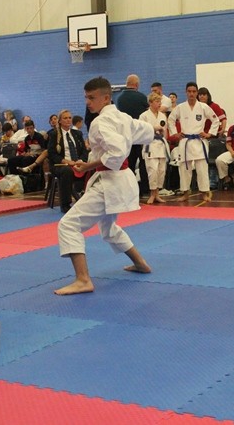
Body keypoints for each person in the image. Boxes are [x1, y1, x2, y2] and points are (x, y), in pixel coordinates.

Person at [54, 77, 155, 295]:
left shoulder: (100, 122)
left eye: (92, 98)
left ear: (106, 98)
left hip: (110, 182)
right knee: (108, 228)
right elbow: (148, 131)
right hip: (121, 180)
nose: (88, 102)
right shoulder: (123, 117)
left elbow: (116, 153)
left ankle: (83, 280)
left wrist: (88, 165)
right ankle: (141, 263)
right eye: (86, 97)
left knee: (68, 225)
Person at [167, 82, 220, 201]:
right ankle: (185, 193)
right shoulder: (180, 107)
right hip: (185, 141)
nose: (191, 94)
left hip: (199, 141)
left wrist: (209, 134)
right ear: (186, 92)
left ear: (197, 93)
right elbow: (170, 120)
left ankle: (204, 193)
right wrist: (175, 133)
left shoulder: (203, 107)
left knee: (202, 169)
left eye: (194, 91)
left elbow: (215, 120)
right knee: (184, 169)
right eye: (189, 91)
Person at [42, 110, 88, 213]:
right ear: (60, 121)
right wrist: (65, 161)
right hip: (60, 165)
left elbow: (84, 151)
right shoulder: (54, 134)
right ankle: (65, 204)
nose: (68, 120)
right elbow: (52, 153)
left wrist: (80, 161)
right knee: (67, 171)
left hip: (77, 163)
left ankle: (88, 200)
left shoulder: (77, 133)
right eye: (65, 118)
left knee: (92, 168)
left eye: (70, 118)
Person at [116, 74, 150, 196]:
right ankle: (145, 189)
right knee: (143, 162)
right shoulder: (142, 97)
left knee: (129, 163)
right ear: (136, 85)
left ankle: (129, 189)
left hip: (126, 135)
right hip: (139, 135)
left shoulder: (119, 98)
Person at [139, 93, 169, 204]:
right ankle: (152, 194)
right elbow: (141, 131)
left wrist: (164, 137)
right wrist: (154, 128)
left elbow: (165, 131)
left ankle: (157, 194)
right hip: (150, 144)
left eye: (160, 102)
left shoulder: (162, 116)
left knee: (161, 171)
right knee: (153, 170)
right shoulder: (144, 116)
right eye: (157, 101)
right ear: (150, 103)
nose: (159, 104)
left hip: (161, 144)